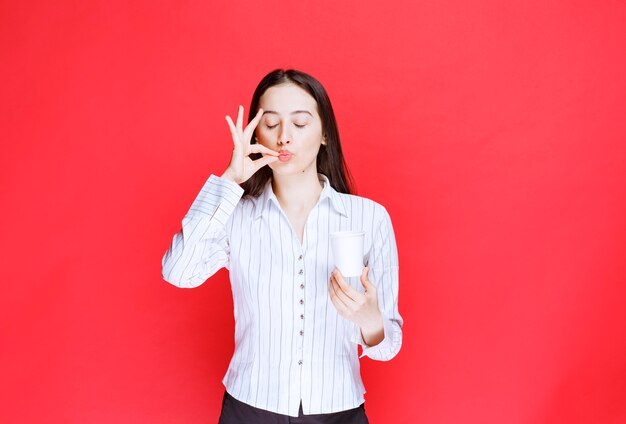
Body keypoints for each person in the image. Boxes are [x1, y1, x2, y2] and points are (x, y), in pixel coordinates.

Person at [162, 69, 402, 423]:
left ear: (324, 135)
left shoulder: (369, 218)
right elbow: (178, 272)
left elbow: (389, 346)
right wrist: (229, 181)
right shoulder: (237, 214)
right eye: (270, 123)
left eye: (301, 123)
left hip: (338, 411)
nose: (283, 137)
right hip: (249, 408)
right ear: (256, 132)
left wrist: (369, 320)